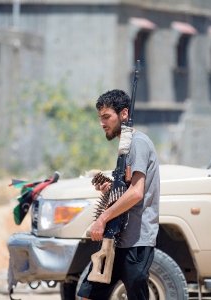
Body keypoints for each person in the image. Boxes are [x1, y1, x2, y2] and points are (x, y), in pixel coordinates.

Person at [77, 89, 160, 300]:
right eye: (100, 118)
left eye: (106, 117)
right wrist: (111, 190)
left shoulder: (138, 143)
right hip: (115, 239)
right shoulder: (125, 147)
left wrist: (102, 219)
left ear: (124, 114)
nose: (102, 123)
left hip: (136, 240)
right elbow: (127, 188)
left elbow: (136, 192)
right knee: (88, 294)